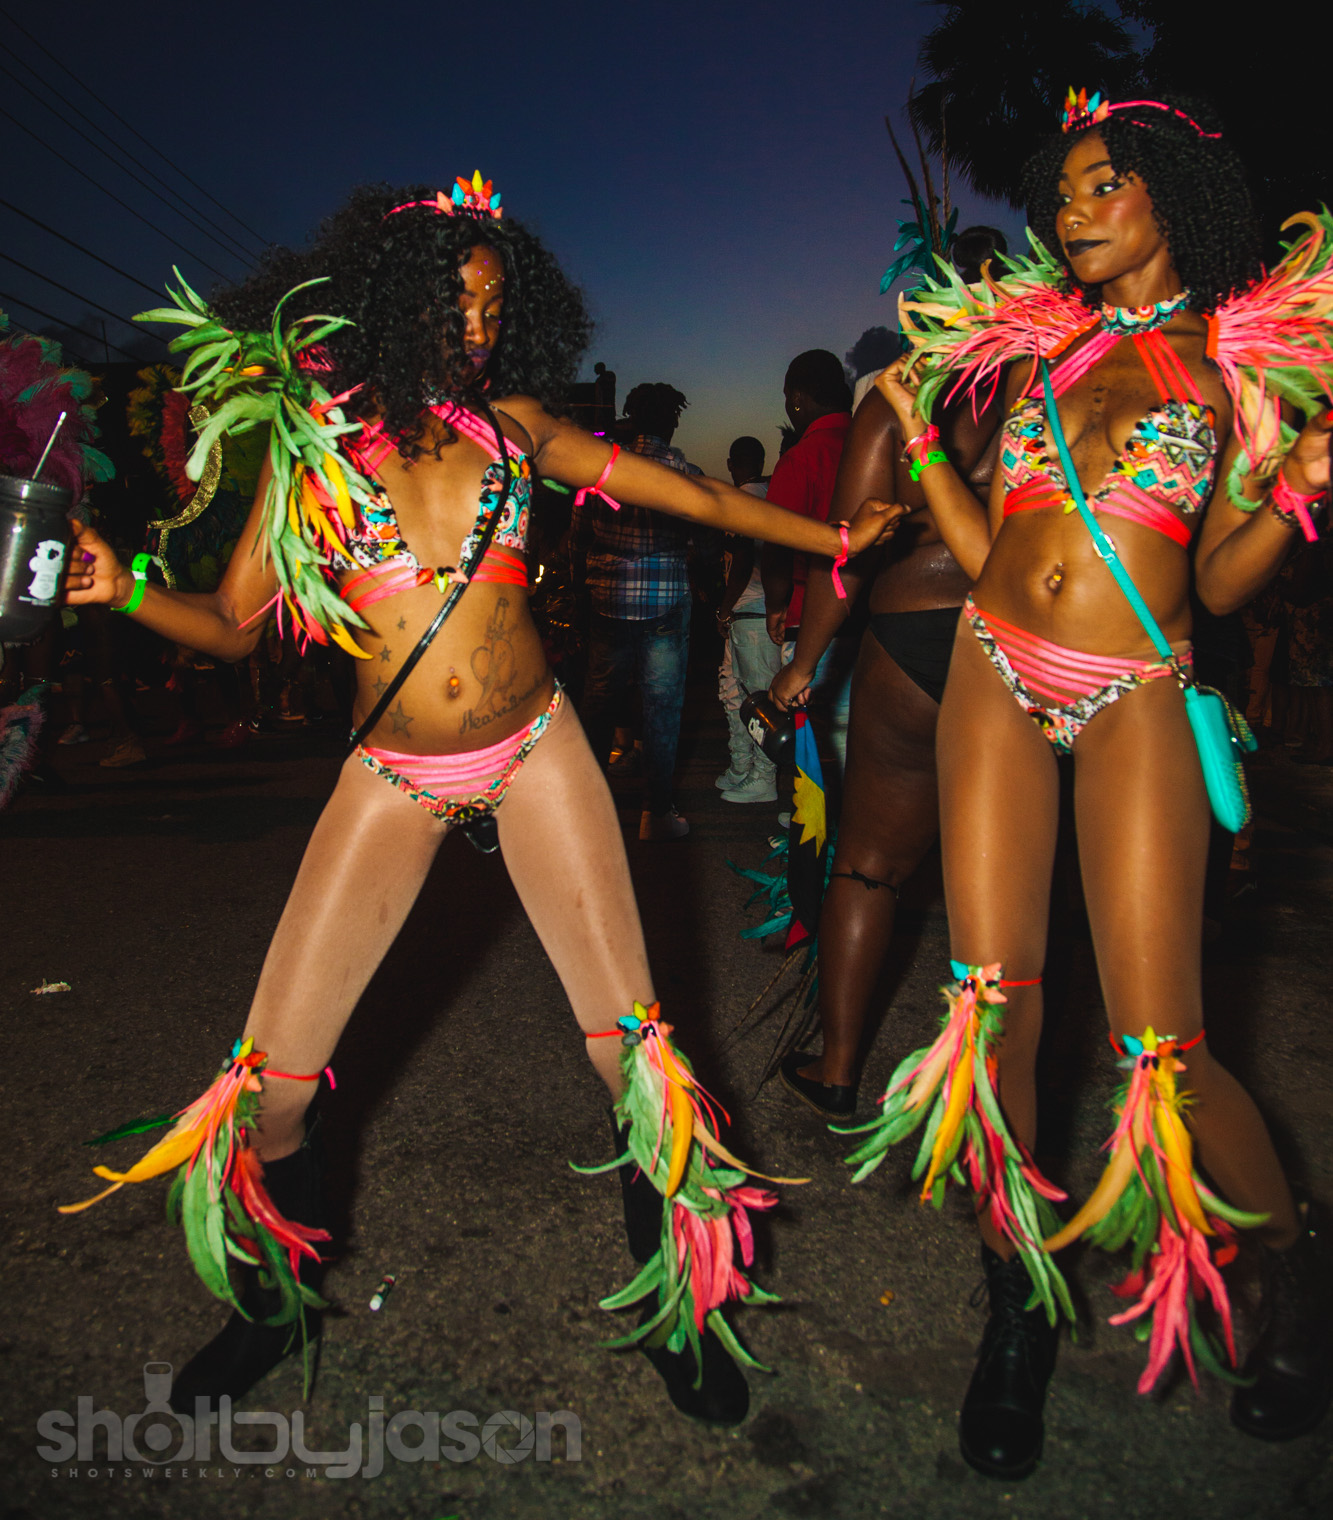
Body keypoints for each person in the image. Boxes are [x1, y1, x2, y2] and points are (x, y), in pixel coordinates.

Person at [57, 173, 897, 1427]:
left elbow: (694, 497)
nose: (481, 324)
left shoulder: (518, 426)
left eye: (498, 305)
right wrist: (117, 587)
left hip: (535, 747)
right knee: (272, 1087)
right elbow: (233, 624)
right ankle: (272, 1308)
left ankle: (679, 1307)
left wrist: (832, 540)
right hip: (391, 772)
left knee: (634, 1054)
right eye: (457, 300)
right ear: (393, 299)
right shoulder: (316, 438)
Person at [862, 92, 1333, 1479]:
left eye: (1101, 183)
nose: (1071, 210)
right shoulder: (1041, 356)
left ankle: (1296, 1267)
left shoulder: (1237, 365)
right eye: (1061, 191)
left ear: (1169, 197)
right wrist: (924, 444)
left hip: (1136, 683)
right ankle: (1016, 1304)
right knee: (991, 1010)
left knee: (1161, 1046)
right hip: (992, 667)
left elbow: (1224, 581)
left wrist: (1297, 486)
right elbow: (987, 546)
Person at [771, 228, 1007, 1120]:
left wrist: (801, 665)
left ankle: (838, 1069)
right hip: (1012, 642)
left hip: (911, 636)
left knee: (869, 863)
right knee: (1016, 871)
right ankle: (999, 1094)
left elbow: (847, 554)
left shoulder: (897, 398)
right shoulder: (1045, 388)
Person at [576, 381, 702, 840]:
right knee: (662, 710)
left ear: (632, 418)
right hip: (665, 601)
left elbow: (579, 535)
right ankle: (656, 813)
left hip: (608, 600)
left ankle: (586, 809)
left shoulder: (602, 469)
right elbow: (701, 539)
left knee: (598, 704)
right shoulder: (685, 473)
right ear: (672, 422)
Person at [761, 350, 856, 775]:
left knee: (817, 746)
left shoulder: (802, 458)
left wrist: (776, 604)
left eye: (787, 397)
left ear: (797, 398)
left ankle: (822, 817)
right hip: (876, 621)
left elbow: (777, 543)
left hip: (812, 618)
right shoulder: (875, 445)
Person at [715, 436, 780, 803]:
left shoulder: (741, 499)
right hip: (757, 611)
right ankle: (743, 766)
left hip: (750, 610)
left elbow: (742, 560)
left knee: (755, 698)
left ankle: (763, 777)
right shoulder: (773, 494)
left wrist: (723, 608)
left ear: (730, 463)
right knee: (735, 691)